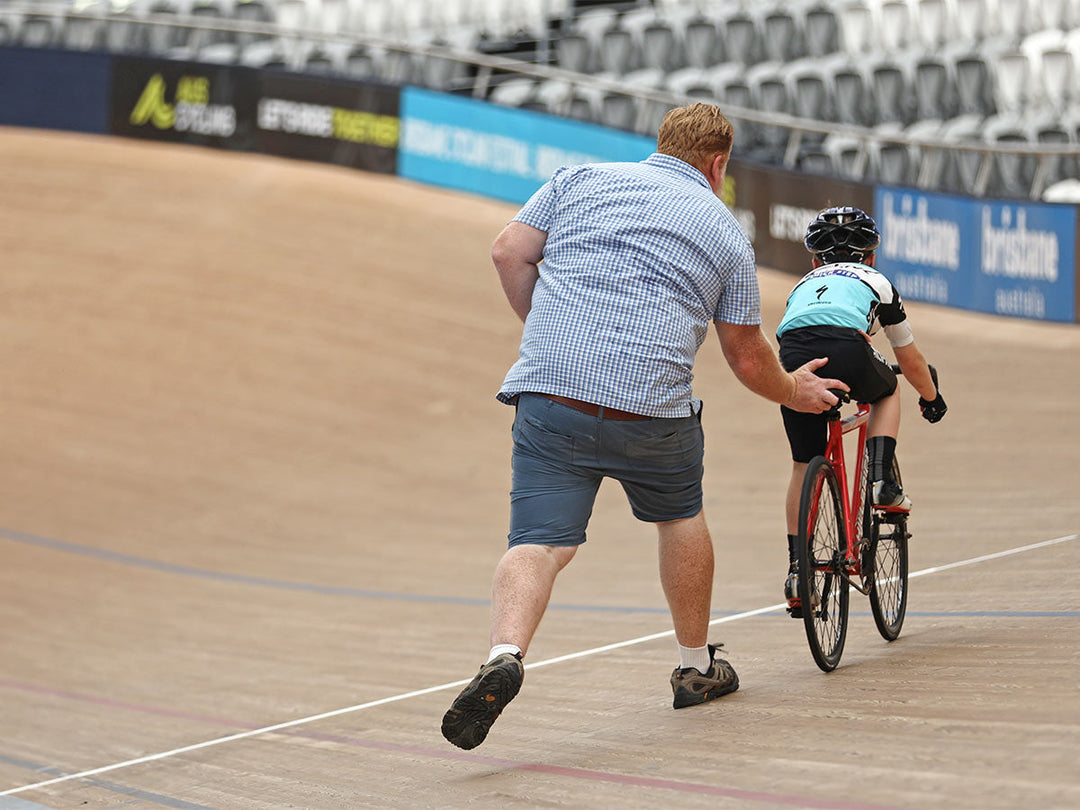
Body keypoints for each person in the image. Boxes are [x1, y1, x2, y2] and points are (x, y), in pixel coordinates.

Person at [440, 103, 848, 751]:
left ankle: (504, 654)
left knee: (538, 542)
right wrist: (795, 391)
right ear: (718, 164)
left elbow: (507, 251)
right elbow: (746, 356)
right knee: (679, 516)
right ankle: (695, 668)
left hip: (551, 391)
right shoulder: (724, 231)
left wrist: (548, 331)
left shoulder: (579, 179)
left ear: (660, 143)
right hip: (652, 408)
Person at [776, 206, 948, 618]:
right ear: (871, 257)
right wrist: (932, 397)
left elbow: (803, 328)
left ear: (815, 262)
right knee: (888, 390)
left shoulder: (802, 284)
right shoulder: (877, 281)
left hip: (793, 357)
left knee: (803, 464)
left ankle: (798, 572)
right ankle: (881, 483)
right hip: (847, 347)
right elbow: (909, 359)